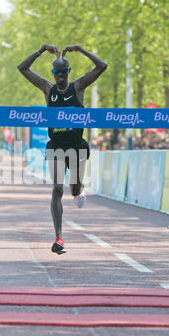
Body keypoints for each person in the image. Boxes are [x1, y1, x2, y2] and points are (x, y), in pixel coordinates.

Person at [17, 44, 107, 254]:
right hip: (56, 147)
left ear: (68, 72)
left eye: (62, 71)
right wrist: (40, 50)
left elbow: (102, 66)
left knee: (74, 188)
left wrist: (81, 50)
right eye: (55, 71)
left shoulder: (78, 87)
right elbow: (22, 68)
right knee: (57, 189)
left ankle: (79, 191)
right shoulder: (48, 89)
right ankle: (59, 238)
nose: (59, 75)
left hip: (76, 148)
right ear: (52, 73)